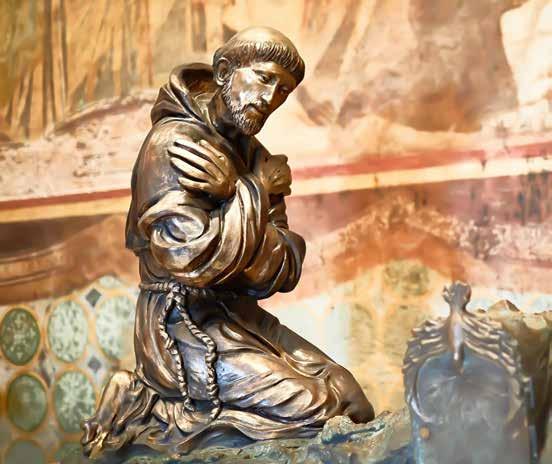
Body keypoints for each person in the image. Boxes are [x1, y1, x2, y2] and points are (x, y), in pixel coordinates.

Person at [82, 26, 374, 457]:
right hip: (180, 324)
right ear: (223, 71)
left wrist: (235, 194)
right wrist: (252, 190)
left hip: (237, 314)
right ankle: (145, 402)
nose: (270, 98)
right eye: (264, 78)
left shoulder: (254, 154)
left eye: (283, 90)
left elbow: (283, 268)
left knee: (351, 399)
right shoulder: (172, 145)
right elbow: (192, 259)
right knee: (320, 408)